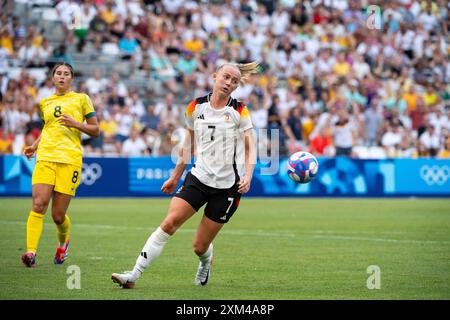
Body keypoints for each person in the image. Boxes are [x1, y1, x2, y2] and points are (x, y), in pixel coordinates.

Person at [111, 62, 258, 288]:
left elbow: (250, 146)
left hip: (228, 187)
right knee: (169, 223)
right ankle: (133, 275)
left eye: (234, 81)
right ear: (215, 76)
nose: (229, 83)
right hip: (198, 178)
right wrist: (174, 177)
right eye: (226, 77)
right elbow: (188, 145)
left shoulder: (239, 110)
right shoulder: (195, 107)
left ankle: (206, 262)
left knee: (199, 246)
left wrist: (248, 175)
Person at [21, 62, 100, 267]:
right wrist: (35, 146)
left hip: (69, 160)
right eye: (58, 73)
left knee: (58, 215)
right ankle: (31, 252)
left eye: (66, 74)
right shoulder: (45, 102)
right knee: (39, 205)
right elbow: (49, 128)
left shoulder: (82, 99)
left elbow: (95, 129)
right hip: (46, 157)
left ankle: (63, 243)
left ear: (71, 79)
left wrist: (76, 124)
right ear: (53, 77)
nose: (62, 76)